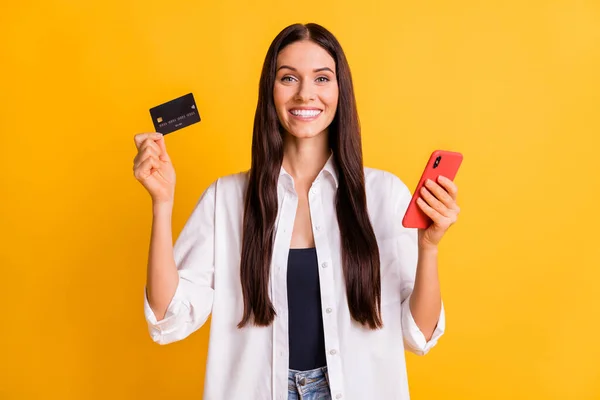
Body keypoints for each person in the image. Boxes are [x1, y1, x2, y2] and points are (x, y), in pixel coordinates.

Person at [133, 22, 460, 400]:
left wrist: (429, 247)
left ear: (340, 91)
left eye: (322, 79)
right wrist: (162, 203)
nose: (306, 94)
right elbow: (167, 317)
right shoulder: (226, 199)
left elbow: (418, 333)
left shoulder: (384, 195)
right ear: (270, 91)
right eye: (288, 78)